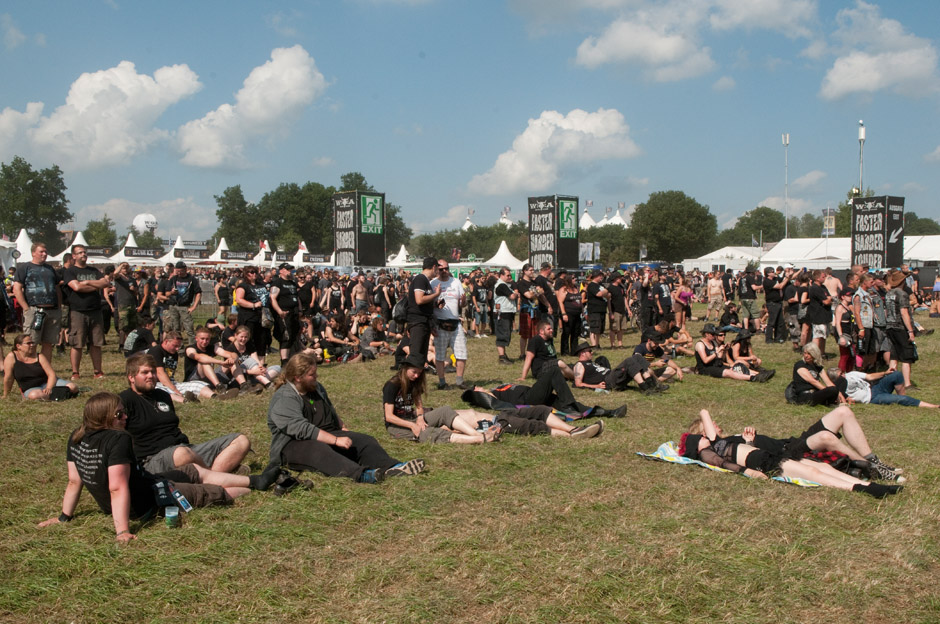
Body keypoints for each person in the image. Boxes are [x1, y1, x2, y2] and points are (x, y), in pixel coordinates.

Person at [38, 392, 282, 542]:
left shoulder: (76, 437)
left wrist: (64, 517)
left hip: (147, 482)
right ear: (106, 418)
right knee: (215, 493)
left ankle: (256, 481)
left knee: (195, 471)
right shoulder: (118, 439)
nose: (126, 418)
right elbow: (117, 487)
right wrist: (122, 531)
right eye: (120, 414)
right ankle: (254, 490)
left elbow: (74, 481)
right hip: (144, 502)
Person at [267, 352, 426, 484]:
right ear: (297, 378)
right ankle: (362, 474)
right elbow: (301, 429)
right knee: (320, 450)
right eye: (312, 374)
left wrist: (343, 429)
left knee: (364, 440)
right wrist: (335, 440)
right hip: (293, 445)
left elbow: (330, 410)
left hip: (327, 433)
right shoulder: (285, 398)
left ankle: (393, 467)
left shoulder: (316, 387)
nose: (316, 376)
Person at [678, 408, 903, 497]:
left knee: (843, 411)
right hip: (787, 454)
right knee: (825, 440)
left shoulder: (733, 439)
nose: (717, 424)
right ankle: (872, 476)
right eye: (712, 425)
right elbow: (741, 458)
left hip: (790, 444)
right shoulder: (718, 444)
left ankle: (874, 464)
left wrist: (748, 439)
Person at [120, 354, 254, 478]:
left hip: (187, 449)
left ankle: (211, 475)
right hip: (153, 459)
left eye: (153, 372)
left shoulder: (163, 396)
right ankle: (221, 473)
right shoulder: (124, 400)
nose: (151, 375)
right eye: (145, 372)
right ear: (131, 377)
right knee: (182, 453)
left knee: (241, 441)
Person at [382, 355, 501, 444]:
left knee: (445, 411)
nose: (417, 376)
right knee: (428, 433)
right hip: (396, 426)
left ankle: (476, 434)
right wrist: (412, 426)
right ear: (405, 368)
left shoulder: (414, 382)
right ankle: (479, 439)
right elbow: (389, 416)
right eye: (414, 372)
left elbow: (418, 405)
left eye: (419, 373)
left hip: (412, 418)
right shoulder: (392, 385)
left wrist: (419, 418)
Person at [62, 244, 112, 380]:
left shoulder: (94, 270)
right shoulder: (70, 271)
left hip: (95, 310)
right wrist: (94, 286)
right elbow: (77, 287)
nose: (83, 254)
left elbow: (104, 283)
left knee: (96, 342)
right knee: (77, 343)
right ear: (74, 256)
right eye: (80, 253)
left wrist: (88, 282)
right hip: (78, 311)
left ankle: (98, 371)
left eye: (84, 252)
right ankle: (75, 372)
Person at [12, 242, 61, 361]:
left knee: (48, 343)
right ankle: (29, 366)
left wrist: (59, 307)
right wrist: (26, 308)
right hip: (35, 310)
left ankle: (45, 368)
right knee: (31, 342)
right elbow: (17, 288)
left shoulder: (50, 269)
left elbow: (57, 288)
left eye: (46, 252)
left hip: (52, 310)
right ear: (33, 253)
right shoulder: (24, 268)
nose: (44, 254)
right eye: (41, 252)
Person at [430, 258, 469, 390]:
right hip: (440, 323)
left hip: (455, 322)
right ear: (436, 269)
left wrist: (463, 302)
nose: (445, 271)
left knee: (461, 353)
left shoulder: (456, 282)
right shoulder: (432, 283)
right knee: (440, 355)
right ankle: (442, 382)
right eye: (441, 269)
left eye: (447, 269)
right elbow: (428, 304)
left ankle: (459, 380)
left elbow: (462, 303)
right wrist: (436, 304)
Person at [572, 340, 662, 396]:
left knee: (637, 357)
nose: (592, 353)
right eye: (589, 351)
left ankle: (652, 385)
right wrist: (596, 386)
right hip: (608, 381)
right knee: (629, 361)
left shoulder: (590, 362)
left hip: (612, 376)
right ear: (582, 353)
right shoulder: (579, 365)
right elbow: (578, 383)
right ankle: (645, 387)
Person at [3, 333, 77, 400]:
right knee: (34, 395)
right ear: (18, 346)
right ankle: (62, 394)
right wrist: (6, 395)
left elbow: (51, 374)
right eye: (28, 343)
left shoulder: (39, 356)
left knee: (73, 387)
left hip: (47, 383)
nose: (32, 345)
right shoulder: (11, 357)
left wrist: (49, 387)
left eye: (32, 343)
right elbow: (8, 378)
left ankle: (54, 395)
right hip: (31, 389)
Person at [694, 324, 771, 382]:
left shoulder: (713, 343)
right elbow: (705, 360)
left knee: (735, 368)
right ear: (706, 334)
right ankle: (753, 378)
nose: (714, 336)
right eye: (712, 334)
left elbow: (720, 358)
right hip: (705, 369)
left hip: (715, 365)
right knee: (728, 372)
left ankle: (759, 374)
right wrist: (716, 353)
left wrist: (723, 350)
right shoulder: (700, 344)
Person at [883, 269, 917, 389]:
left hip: (890, 326)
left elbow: (886, 311)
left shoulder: (889, 293)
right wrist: (910, 331)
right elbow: (904, 313)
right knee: (906, 356)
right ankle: (907, 383)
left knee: (894, 355)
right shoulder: (902, 294)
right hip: (901, 327)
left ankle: (890, 380)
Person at [159, 261, 202, 346]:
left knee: (189, 328)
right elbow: (166, 293)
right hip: (173, 306)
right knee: (175, 328)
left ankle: (192, 347)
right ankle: (178, 348)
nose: (179, 273)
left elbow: (198, 293)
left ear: (185, 269)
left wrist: (194, 306)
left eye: (181, 271)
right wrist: (171, 292)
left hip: (185, 306)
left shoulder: (192, 279)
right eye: (177, 271)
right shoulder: (173, 279)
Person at [406, 258, 440, 364]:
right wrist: (436, 294)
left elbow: (423, 302)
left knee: (421, 356)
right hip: (417, 322)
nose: (438, 271)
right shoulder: (420, 279)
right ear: (434, 267)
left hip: (424, 322)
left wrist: (435, 304)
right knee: (416, 355)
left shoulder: (425, 281)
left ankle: (417, 378)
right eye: (438, 268)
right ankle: (406, 379)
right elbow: (419, 300)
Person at [269, 263, 302, 367]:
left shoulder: (292, 283)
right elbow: (272, 298)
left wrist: (300, 310)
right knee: (285, 337)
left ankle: (292, 358)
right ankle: (284, 361)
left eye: (291, 270)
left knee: (293, 335)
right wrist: (279, 311)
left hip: (294, 313)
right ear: (281, 271)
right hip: (284, 314)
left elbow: (297, 297)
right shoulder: (277, 283)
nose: (290, 271)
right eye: (287, 269)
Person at [584, 270, 610, 348]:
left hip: (601, 309)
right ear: (595, 277)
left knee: (599, 329)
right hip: (594, 310)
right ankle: (593, 344)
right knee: (594, 329)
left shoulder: (601, 285)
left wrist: (605, 292)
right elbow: (599, 294)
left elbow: (609, 295)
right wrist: (606, 290)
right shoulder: (592, 285)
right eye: (599, 276)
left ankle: (597, 344)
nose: (601, 277)